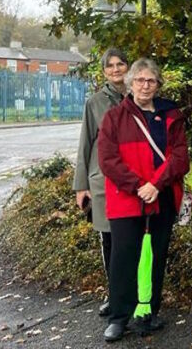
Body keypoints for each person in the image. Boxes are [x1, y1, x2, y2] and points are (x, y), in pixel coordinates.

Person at [98, 58, 190, 342]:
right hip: (127, 200)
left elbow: (180, 157)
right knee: (124, 258)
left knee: (156, 256)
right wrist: (139, 186)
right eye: (140, 80)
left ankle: (148, 311)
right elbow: (108, 160)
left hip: (161, 197)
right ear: (130, 83)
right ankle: (119, 317)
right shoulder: (114, 117)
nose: (145, 86)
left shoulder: (171, 116)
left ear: (158, 84)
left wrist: (156, 185)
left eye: (151, 80)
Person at [73, 48, 128, 317]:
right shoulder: (95, 103)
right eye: (110, 66)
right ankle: (114, 293)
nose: (116, 70)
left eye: (120, 64)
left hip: (133, 181)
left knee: (133, 240)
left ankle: (134, 293)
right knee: (109, 240)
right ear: (104, 71)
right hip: (103, 181)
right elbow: (85, 143)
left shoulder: (139, 96)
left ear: (128, 67)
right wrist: (80, 185)